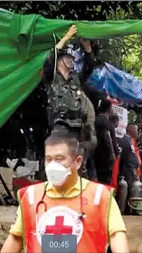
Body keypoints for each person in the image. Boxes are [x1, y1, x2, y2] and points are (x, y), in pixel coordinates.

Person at [0, 132, 129, 253]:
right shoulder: (31, 196)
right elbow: (15, 238)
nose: (52, 165)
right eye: (49, 159)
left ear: (78, 162)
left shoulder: (100, 196)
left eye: (60, 158)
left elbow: (117, 235)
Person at [41, 25, 97, 179]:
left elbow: (90, 66)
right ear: (60, 61)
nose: (71, 61)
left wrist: (87, 48)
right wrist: (65, 38)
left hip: (78, 127)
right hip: (60, 125)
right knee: (58, 160)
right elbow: (48, 59)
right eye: (68, 58)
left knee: (77, 163)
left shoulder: (76, 79)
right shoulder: (52, 78)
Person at [95, 99, 116, 183]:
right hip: (105, 156)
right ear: (109, 108)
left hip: (96, 154)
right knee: (105, 180)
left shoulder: (96, 119)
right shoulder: (105, 121)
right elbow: (107, 137)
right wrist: (112, 153)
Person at [118, 125, 141, 201]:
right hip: (128, 169)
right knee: (129, 189)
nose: (138, 132)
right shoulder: (125, 140)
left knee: (133, 189)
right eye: (136, 130)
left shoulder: (131, 141)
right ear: (131, 130)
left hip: (132, 169)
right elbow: (126, 157)